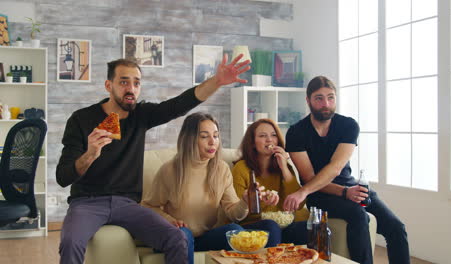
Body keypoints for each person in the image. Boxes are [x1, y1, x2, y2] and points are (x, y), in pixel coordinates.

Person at [55, 55, 250, 264]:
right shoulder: (81, 119)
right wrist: (90, 153)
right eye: (123, 82)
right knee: (70, 242)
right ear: (108, 85)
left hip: (128, 204)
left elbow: (179, 104)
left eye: (136, 83)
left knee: (176, 238)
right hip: (87, 202)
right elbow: (63, 176)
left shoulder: (141, 115)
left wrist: (217, 81)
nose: (131, 88)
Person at [282, 76, 410, 264]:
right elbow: (309, 178)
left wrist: (348, 191)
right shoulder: (296, 132)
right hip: (318, 193)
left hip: (349, 187)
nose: (326, 103)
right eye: (319, 98)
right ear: (308, 100)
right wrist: (341, 192)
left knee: (396, 227)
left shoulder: (348, 125)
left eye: (331, 97)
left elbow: (336, 167)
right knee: (358, 215)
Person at [141, 112, 271, 264]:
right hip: (176, 237)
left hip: (204, 238)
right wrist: (169, 220)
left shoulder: (221, 169)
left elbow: (234, 213)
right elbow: (148, 206)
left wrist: (244, 201)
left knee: (236, 230)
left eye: (215, 136)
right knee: (183, 234)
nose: (212, 142)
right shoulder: (170, 170)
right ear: (190, 139)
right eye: (204, 136)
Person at [232, 118, 309, 247]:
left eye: (273, 135)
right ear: (252, 143)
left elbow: (299, 204)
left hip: (282, 227)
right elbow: (238, 213)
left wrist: (284, 167)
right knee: (271, 226)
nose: (269, 140)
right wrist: (262, 200)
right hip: (251, 226)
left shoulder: (285, 167)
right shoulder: (241, 168)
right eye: (262, 136)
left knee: (308, 228)